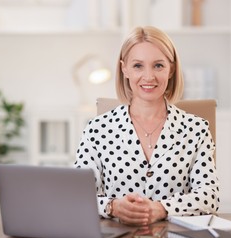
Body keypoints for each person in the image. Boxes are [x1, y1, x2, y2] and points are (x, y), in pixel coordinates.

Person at [75, 26, 220, 226]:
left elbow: (210, 197)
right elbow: (77, 195)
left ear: (171, 69)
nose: (149, 76)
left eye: (158, 66)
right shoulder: (96, 129)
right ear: (124, 69)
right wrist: (113, 206)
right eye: (138, 66)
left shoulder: (196, 129)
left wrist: (161, 209)